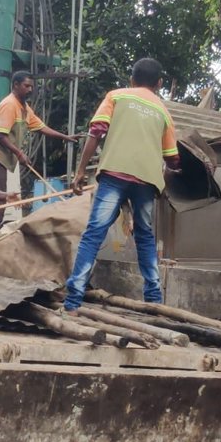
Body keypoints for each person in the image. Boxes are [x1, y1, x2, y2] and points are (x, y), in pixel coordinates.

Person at [63, 58, 181, 313]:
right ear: (159, 84)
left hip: (114, 174)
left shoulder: (116, 97)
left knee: (94, 233)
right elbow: (173, 158)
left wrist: (81, 171)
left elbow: (96, 132)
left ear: (131, 80)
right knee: (145, 237)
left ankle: (73, 300)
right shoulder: (164, 112)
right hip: (146, 183)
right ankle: (154, 302)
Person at [0, 71, 79, 243]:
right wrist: (19, 153)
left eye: (32, 86)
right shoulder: (9, 105)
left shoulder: (24, 108)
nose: (30, 89)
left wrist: (64, 137)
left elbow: (41, 127)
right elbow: (0, 136)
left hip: (4, 156)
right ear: (15, 85)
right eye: (26, 86)